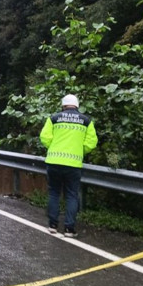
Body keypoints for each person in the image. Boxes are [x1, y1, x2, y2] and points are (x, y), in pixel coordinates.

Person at [39, 94, 97, 237]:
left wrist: (53, 147)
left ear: (63, 105)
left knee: (54, 193)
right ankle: (69, 229)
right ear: (77, 105)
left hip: (54, 162)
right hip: (73, 164)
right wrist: (80, 150)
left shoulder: (54, 118)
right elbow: (91, 142)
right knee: (72, 195)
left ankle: (53, 225)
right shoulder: (86, 121)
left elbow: (44, 137)